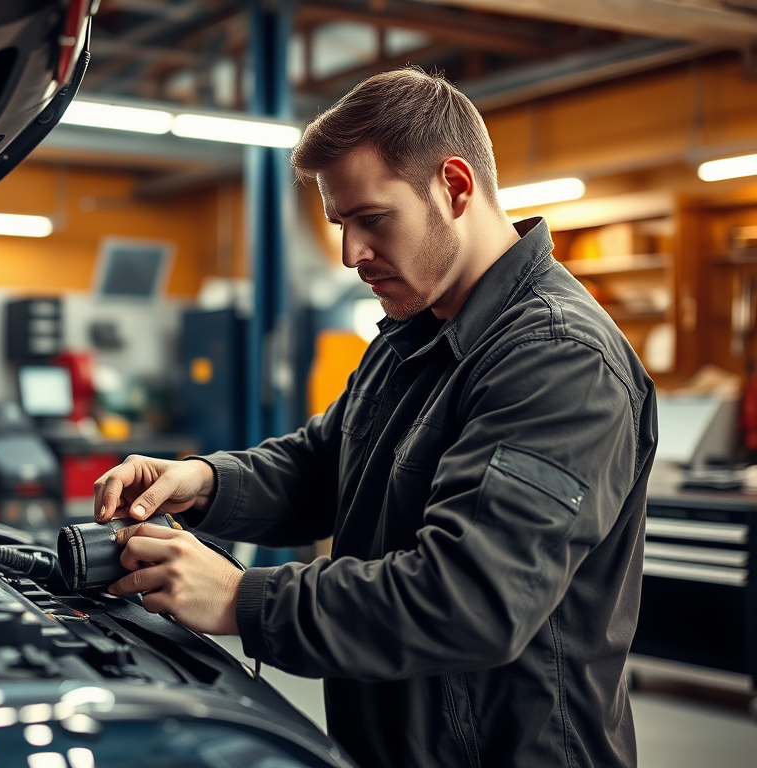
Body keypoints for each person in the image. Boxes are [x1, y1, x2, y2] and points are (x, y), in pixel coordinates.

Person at [94, 68, 657, 768]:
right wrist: (204, 481)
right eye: (339, 224)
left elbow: (471, 598)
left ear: (454, 187)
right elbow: (324, 465)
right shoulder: (412, 333)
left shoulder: (558, 359)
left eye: (373, 219)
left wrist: (244, 599)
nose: (350, 254)